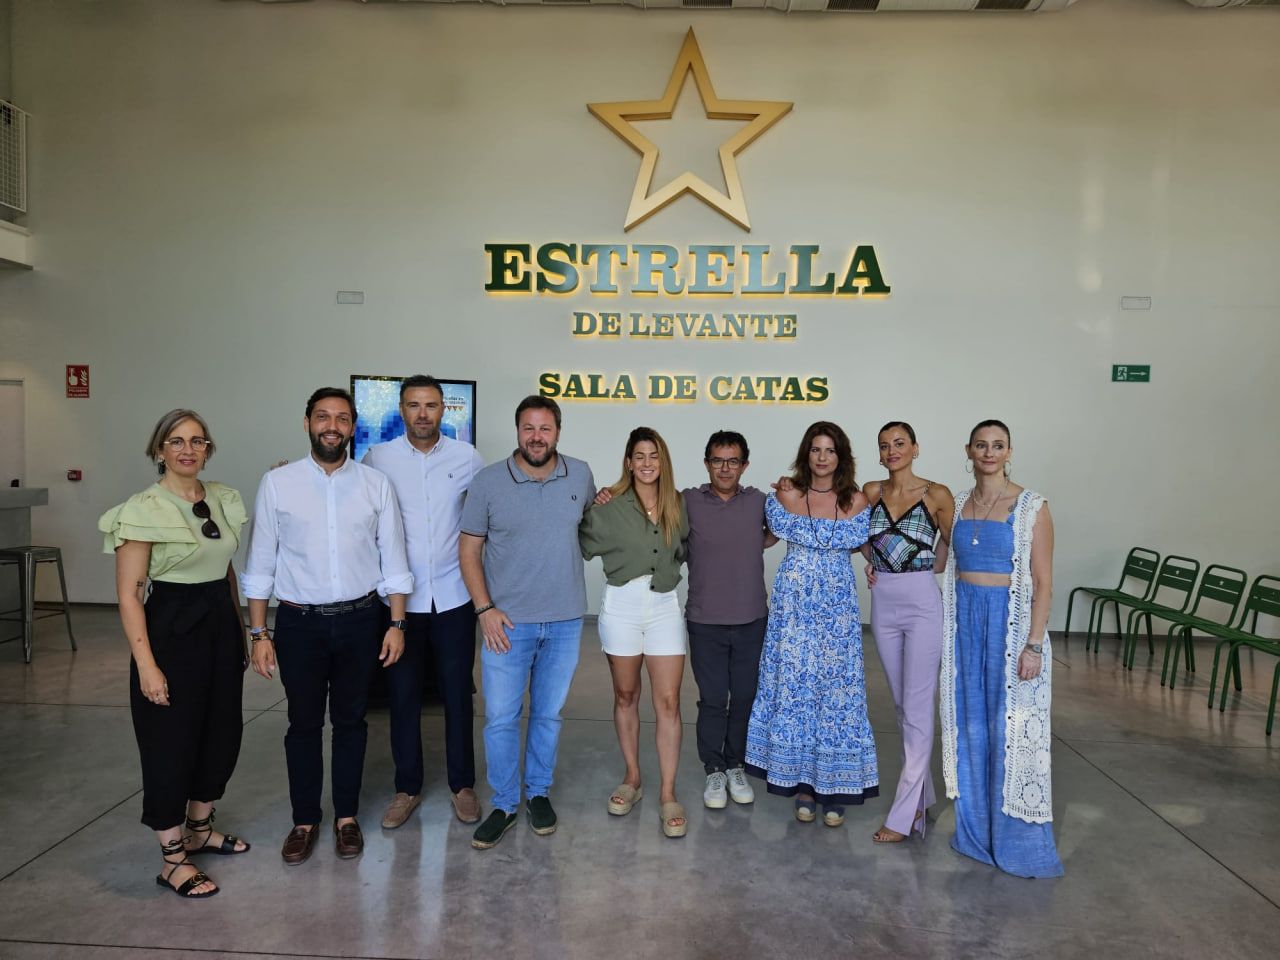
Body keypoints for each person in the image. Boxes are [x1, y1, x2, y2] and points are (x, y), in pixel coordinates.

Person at [242, 387, 413, 865]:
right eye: (322, 417)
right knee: (302, 724)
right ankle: (305, 819)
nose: (331, 425)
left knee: (352, 723)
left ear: (353, 426)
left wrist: (396, 622)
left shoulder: (375, 484)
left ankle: (346, 818)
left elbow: (394, 559)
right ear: (307, 423)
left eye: (341, 417)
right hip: (299, 623)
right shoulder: (279, 483)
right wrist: (258, 634)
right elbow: (260, 564)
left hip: (362, 620)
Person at [98, 409, 250, 899]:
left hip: (219, 624)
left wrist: (241, 628)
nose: (188, 449)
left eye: (198, 441)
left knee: (221, 732)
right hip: (171, 628)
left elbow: (225, 569)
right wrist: (146, 664)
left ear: (208, 448)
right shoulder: (142, 508)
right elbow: (129, 593)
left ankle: (201, 829)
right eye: (177, 441)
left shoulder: (223, 497)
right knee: (170, 742)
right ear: (159, 449)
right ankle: (172, 858)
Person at [459, 396, 595, 850]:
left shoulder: (580, 474)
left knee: (548, 715)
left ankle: (537, 793)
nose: (537, 437)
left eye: (545, 429)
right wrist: (484, 609)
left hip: (564, 620)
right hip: (507, 624)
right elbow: (469, 549)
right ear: (517, 430)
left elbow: (594, 527)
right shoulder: (488, 482)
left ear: (558, 431)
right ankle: (503, 803)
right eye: (528, 428)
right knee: (500, 718)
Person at [940, 419, 1063, 878]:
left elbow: (1045, 582)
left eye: (998, 445)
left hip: (1010, 629)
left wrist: (1033, 644)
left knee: (1011, 732)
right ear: (968, 451)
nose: (989, 452)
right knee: (971, 728)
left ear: (1009, 451)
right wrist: (882, 567)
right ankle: (975, 833)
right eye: (981, 445)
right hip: (965, 626)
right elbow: (937, 560)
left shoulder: (1032, 507)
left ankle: (1018, 842)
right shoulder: (955, 503)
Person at [363, 375, 486, 829]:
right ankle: (407, 787)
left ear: (443, 410)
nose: (422, 414)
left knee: (458, 695)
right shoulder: (378, 458)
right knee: (402, 697)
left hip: (454, 596)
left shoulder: (467, 458)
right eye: (413, 405)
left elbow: (491, 510)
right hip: (399, 603)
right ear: (401, 409)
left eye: (431, 405)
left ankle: (463, 785)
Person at [746, 422, 877, 827]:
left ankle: (835, 787)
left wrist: (878, 562)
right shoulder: (786, 495)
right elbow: (761, 537)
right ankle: (802, 784)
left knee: (836, 691)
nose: (822, 457)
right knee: (796, 686)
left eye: (830, 450)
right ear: (806, 453)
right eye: (816, 449)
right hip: (794, 605)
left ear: (842, 456)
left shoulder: (856, 500)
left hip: (836, 606)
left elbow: (869, 543)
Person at [580, 427, 691, 838]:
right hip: (621, 607)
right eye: (639, 456)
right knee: (626, 695)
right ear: (628, 461)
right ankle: (632, 778)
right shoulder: (607, 506)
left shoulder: (678, 505)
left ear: (663, 462)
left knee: (669, 701)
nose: (647, 464)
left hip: (663, 608)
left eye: (654, 456)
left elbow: (692, 550)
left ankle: (667, 792)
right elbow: (573, 540)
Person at [861, 422, 954, 843]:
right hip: (883, 601)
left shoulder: (936, 494)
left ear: (915, 447)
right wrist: (872, 559)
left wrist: (932, 567)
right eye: (885, 446)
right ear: (880, 455)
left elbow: (955, 543)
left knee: (917, 706)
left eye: (899, 443)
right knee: (901, 704)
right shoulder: (872, 491)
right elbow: (859, 535)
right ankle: (923, 797)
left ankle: (902, 817)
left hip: (920, 604)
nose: (892, 450)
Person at [683, 431, 778, 811]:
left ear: (745, 465)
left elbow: (783, 527)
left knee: (743, 697)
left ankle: (736, 764)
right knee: (712, 700)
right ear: (707, 463)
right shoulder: (689, 500)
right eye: (718, 460)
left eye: (733, 461)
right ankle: (714, 769)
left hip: (751, 617)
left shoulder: (758, 501)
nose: (725, 468)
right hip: (705, 620)